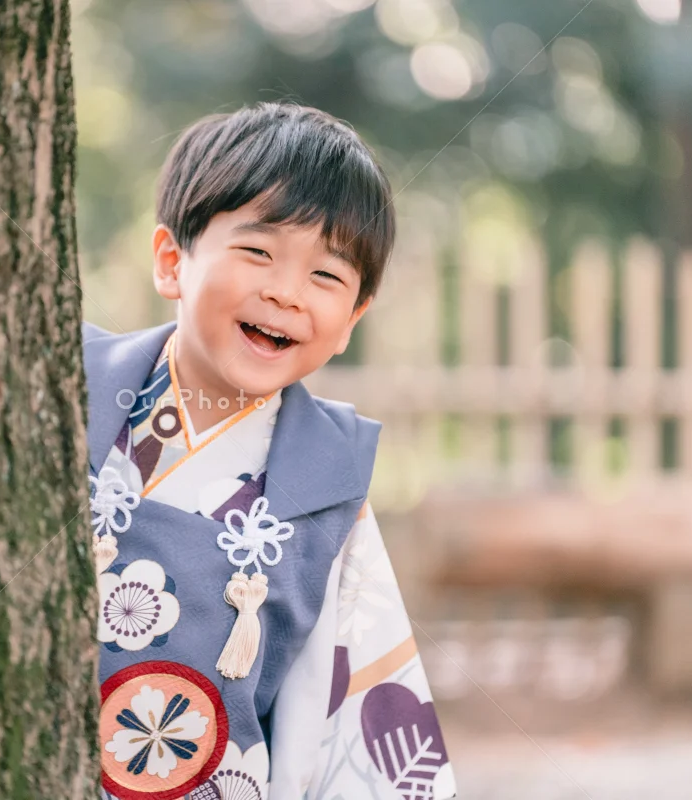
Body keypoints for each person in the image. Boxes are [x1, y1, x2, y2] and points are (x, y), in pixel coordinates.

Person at [85, 101, 455, 800]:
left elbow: (344, 719)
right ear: (172, 261)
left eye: (327, 277)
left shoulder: (324, 487)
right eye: (258, 251)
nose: (285, 292)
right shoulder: (69, 390)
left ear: (352, 320)